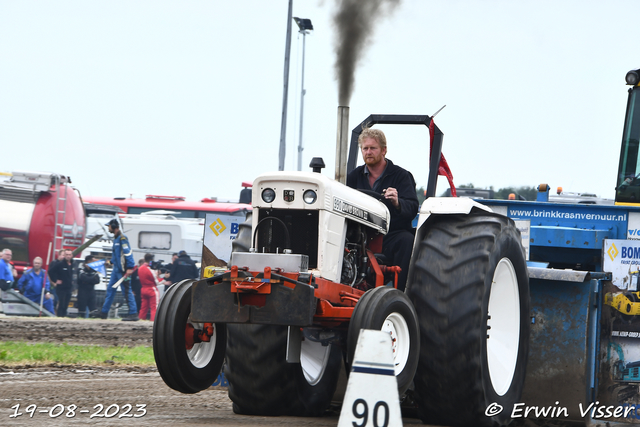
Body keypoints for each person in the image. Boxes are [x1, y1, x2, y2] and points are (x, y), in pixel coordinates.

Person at [346, 127, 419, 292]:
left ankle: (401, 293)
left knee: (406, 240)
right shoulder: (353, 177)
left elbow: (412, 207)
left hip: (391, 234)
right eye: (365, 148)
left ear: (384, 150)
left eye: (373, 148)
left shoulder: (401, 176)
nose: (368, 152)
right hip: (361, 235)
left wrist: (397, 202)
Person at [94, 219, 138, 321]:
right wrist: (109, 263)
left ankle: (133, 313)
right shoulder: (116, 239)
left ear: (114, 227)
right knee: (110, 290)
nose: (108, 228)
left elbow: (128, 253)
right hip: (116, 270)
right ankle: (104, 313)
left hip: (123, 271)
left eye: (109, 226)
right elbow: (116, 257)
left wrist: (130, 268)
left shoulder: (122, 238)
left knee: (126, 291)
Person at [48, 249, 73, 317]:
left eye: (69, 255)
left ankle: (64, 316)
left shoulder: (73, 264)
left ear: (71, 255)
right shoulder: (60, 264)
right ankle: (59, 316)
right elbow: (50, 271)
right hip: (61, 288)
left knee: (66, 304)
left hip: (69, 288)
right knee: (61, 303)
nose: (68, 256)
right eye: (66, 255)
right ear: (64, 255)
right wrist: (55, 280)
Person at [138, 253, 160, 321]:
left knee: (143, 307)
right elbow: (156, 282)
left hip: (143, 289)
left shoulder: (140, 268)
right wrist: (163, 278)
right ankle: (153, 321)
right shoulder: (151, 270)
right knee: (154, 307)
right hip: (151, 289)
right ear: (151, 260)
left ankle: (141, 319)